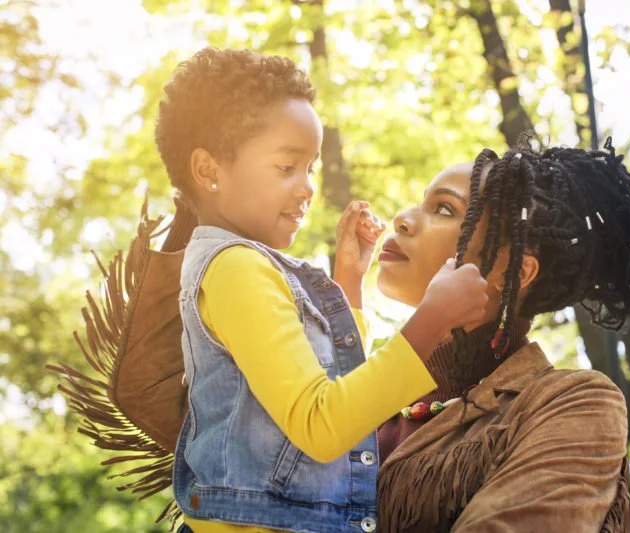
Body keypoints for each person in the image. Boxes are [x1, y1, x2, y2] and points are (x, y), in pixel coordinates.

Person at [138, 47, 491, 533]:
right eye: (287, 168)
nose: (306, 187)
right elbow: (323, 427)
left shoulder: (245, 267)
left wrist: (349, 280)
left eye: (310, 168)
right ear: (208, 171)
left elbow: (334, 391)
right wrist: (432, 318)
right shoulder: (236, 269)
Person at [374, 136, 630, 532]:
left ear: (517, 271)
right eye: (422, 202)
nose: (403, 219)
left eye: (444, 208)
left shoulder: (571, 403)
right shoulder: (359, 391)